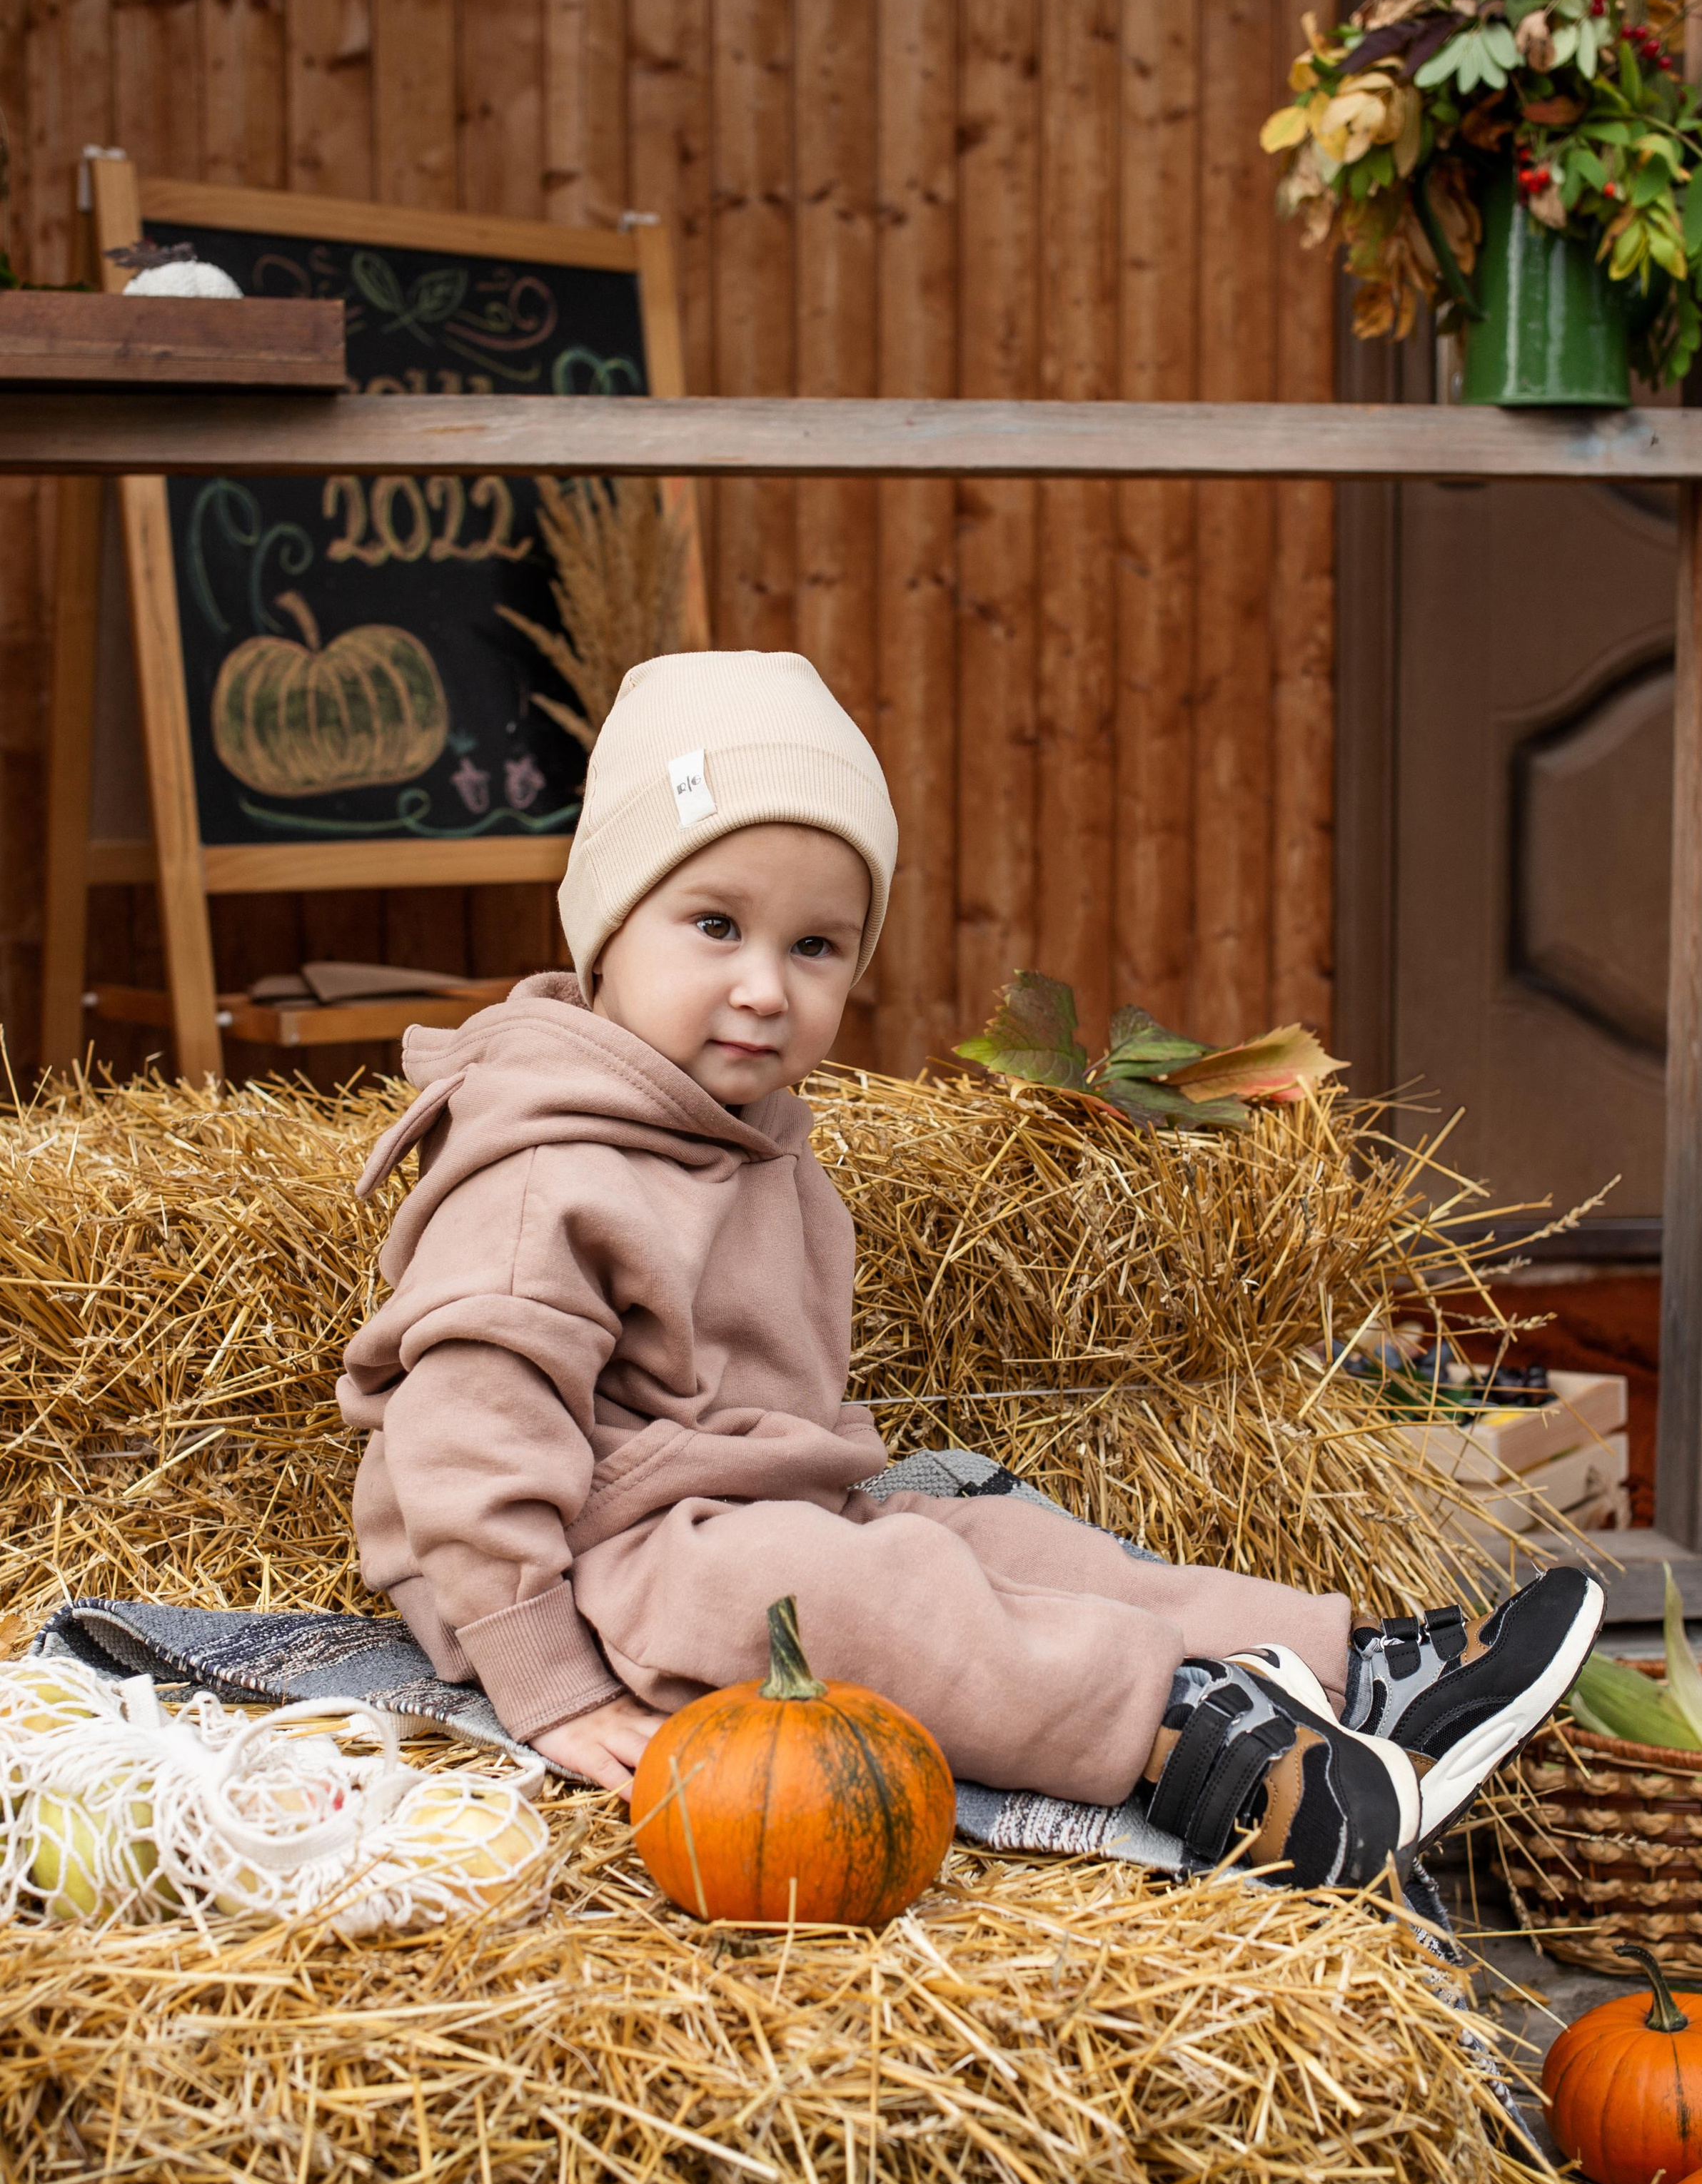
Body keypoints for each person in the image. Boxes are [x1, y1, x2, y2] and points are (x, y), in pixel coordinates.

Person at [341, 651, 1603, 1891]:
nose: (764, 988)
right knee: (877, 1597)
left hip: (752, 1517)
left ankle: (1345, 1671)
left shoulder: (752, 1143)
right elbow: (467, 1438)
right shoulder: (544, 1170)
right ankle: (1204, 1753)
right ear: (609, 933)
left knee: (998, 1546)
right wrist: (546, 1681)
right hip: (590, 1560)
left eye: (817, 947)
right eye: (716, 925)